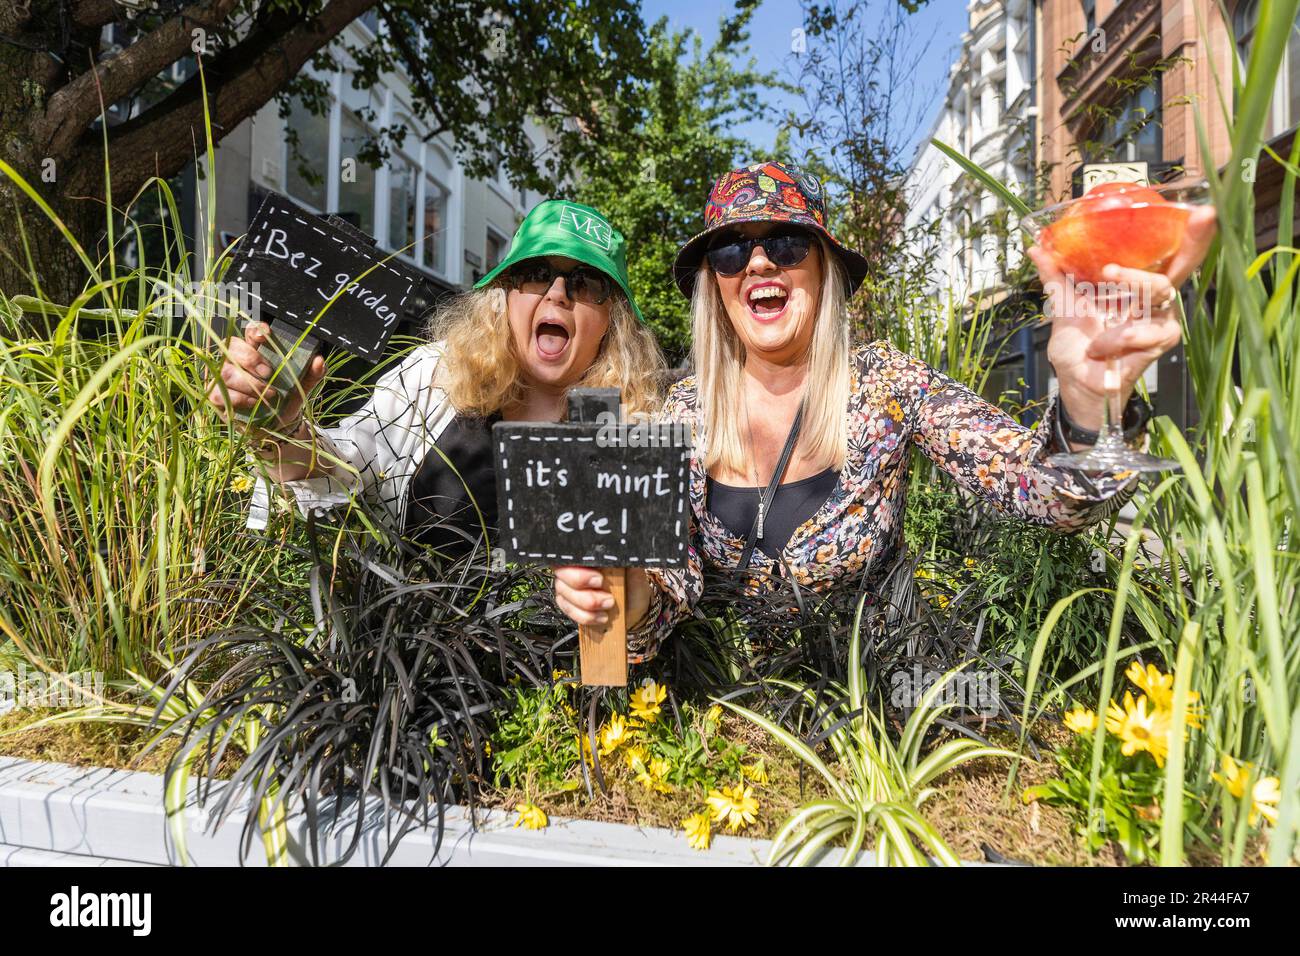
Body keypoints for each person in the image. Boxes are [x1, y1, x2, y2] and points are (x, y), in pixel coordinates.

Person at [553, 160, 1217, 662]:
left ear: (824, 268)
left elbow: (1048, 496)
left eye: (785, 243)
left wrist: (1090, 401)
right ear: (714, 286)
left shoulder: (888, 385)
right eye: (731, 249)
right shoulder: (675, 418)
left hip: (893, 719)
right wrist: (617, 594)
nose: (758, 262)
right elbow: (651, 618)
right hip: (745, 742)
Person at [208, 200, 667, 560]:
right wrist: (282, 427)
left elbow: (635, 608)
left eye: (586, 283)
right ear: (504, 295)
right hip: (408, 673)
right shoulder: (438, 375)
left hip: (550, 681)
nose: (558, 294)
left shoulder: (629, 426)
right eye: (535, 273)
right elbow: (346, 463)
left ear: (612, 318)